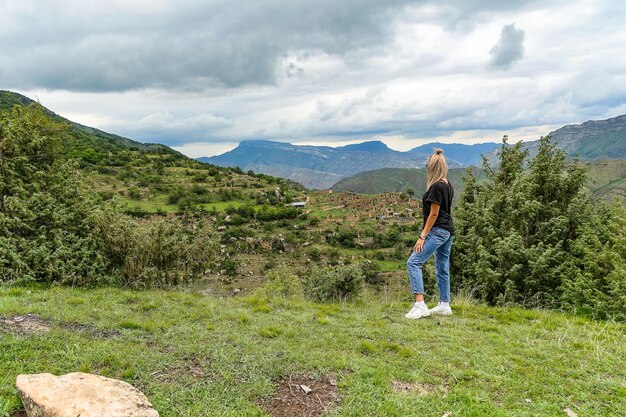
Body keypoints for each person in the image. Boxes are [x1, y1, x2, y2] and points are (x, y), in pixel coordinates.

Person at [405, 148, 455, 319]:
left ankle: (420, 304)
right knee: (442, 267)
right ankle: (444, 304)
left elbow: (434, 214)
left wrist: (422, 236)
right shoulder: (447, 184)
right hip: (448, 230)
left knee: (413, 262)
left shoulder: (436, 187)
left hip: (438, 230)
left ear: (432, 168)